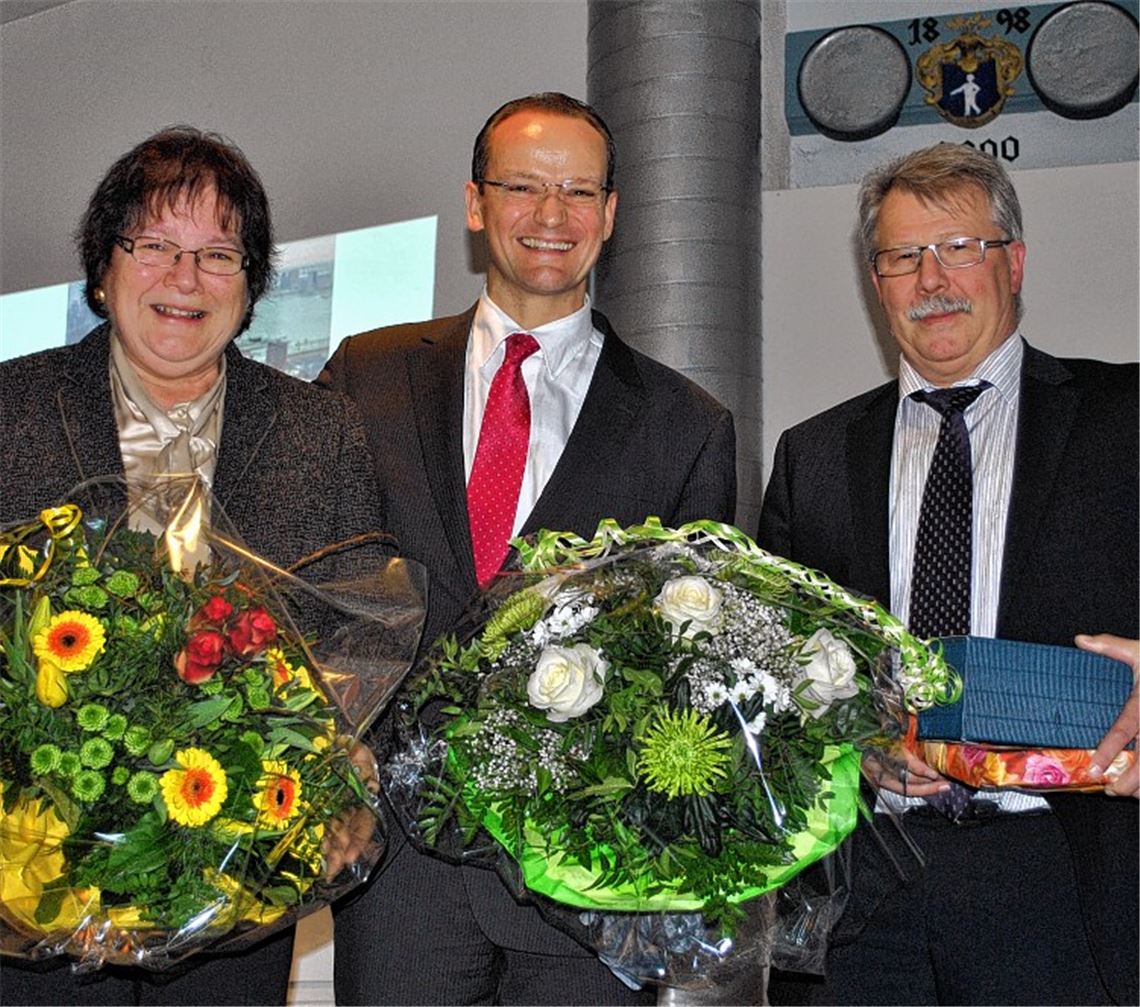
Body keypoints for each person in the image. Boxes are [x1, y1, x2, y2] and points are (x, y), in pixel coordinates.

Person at [320, 92, 737, 1005]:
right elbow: (317, 590)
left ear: (612, 215)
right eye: (523, 187)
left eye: (578, 192)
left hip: (586, 880)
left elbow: (694, 670)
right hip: (399, 871)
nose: (552, 217)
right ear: (475, 203)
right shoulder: (365, 374)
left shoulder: (687, 426)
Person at [0, 126, 385, 1005]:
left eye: (218, 254)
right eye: (155, 246)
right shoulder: (9, 408)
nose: (185, 278)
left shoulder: (318, 430)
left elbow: (359, 624)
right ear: (104, 267)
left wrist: (349, 768)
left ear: (249, 289)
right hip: (29, 889)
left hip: (234, 889)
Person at [758, 142, 1138, 1005]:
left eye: (960, 247)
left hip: (1061, 871)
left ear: (1014, 261)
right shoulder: (812, 455)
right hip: (862, 879)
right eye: (903, 256)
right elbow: (772, 673)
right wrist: (854, 745)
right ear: (876, 280)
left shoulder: (1127, 420)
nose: (933, 278)